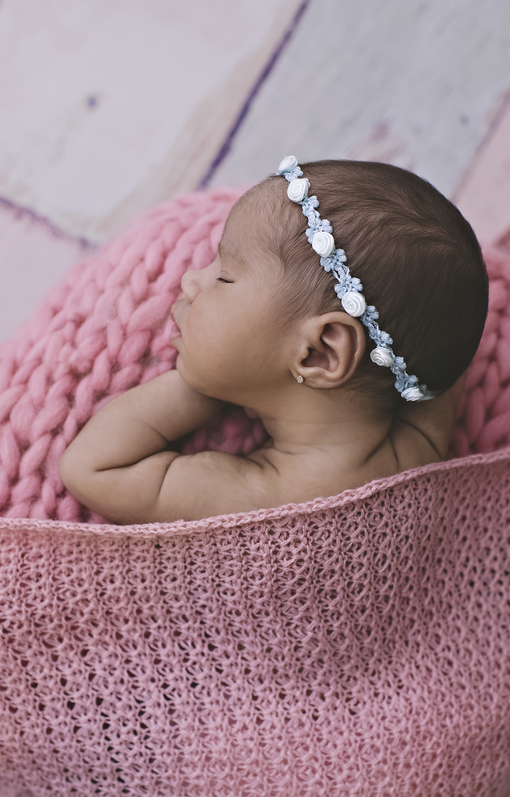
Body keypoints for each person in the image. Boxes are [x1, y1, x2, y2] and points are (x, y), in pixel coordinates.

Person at [59, 158, 488, 523]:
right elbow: (440, 348)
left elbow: (91, 469)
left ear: (320, 352)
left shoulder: (259, 502)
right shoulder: (420, 451)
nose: (191, 280)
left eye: (224, 277)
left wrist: (203, 386)